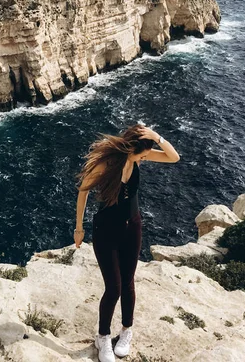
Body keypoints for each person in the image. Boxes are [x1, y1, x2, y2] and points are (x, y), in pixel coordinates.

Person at [74, 124, 180, 362]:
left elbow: (174, 157)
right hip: (105, 230)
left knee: (129, 282)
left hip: (132, 227)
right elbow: (83, 191)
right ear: (131, 148)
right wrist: (78, 228)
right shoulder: (108, 164)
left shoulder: (138, 158)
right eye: (142, 155)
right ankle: (102, 338)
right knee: (114, 288)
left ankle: (126, 332)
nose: (145, 158)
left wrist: (156, 136)